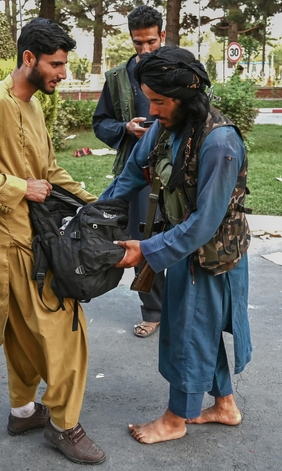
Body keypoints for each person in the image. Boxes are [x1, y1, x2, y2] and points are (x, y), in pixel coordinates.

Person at [0, 18, 106, 465]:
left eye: (64, 64)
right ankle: (63, 424)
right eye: (55, 64)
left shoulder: (32, 105)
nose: (62, 73)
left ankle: (22, 411)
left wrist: (97, 205)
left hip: (34, 238)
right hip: (15, 244)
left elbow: (49, 171)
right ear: (28, 58)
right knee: (67, 331)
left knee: (22, 333)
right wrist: (17, 187)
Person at [99, 46, 252, 445]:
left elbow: (204, 223)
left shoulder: (220, 143)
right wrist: (93, 215)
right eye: (149, 99)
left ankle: (174, 420)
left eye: (159, 101)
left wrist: (146, 250)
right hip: (181, 245)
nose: (151, 110)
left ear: (186, 97)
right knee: (201, 331)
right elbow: (131, 175)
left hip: (209, 255)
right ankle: (224, 406)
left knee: (188, 334)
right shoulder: (165, 126)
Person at [92, 5, 166, 339]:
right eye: (138, 43)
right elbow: (100, 123)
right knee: (141, 241)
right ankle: (152, 310)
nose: (145, 50)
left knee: (178, 239)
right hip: (137, 175)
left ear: (162, 35)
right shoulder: (118, 78)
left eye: (151, 42)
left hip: (176, 174)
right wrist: (126, 127)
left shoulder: (179, 69)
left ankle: (180, 311)